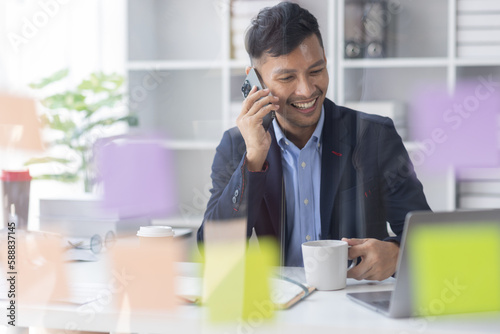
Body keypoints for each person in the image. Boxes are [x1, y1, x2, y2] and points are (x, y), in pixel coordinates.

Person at [197, 2, 430, 280]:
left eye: (315, 71)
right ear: (256, 83)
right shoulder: (237, 146)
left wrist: (397, 253)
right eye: (287, 77)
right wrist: (254, 160)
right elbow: (214, 252)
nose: (307, 90)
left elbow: (427, 237)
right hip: (280, 307)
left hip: (355, 301)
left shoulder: (375, 136)